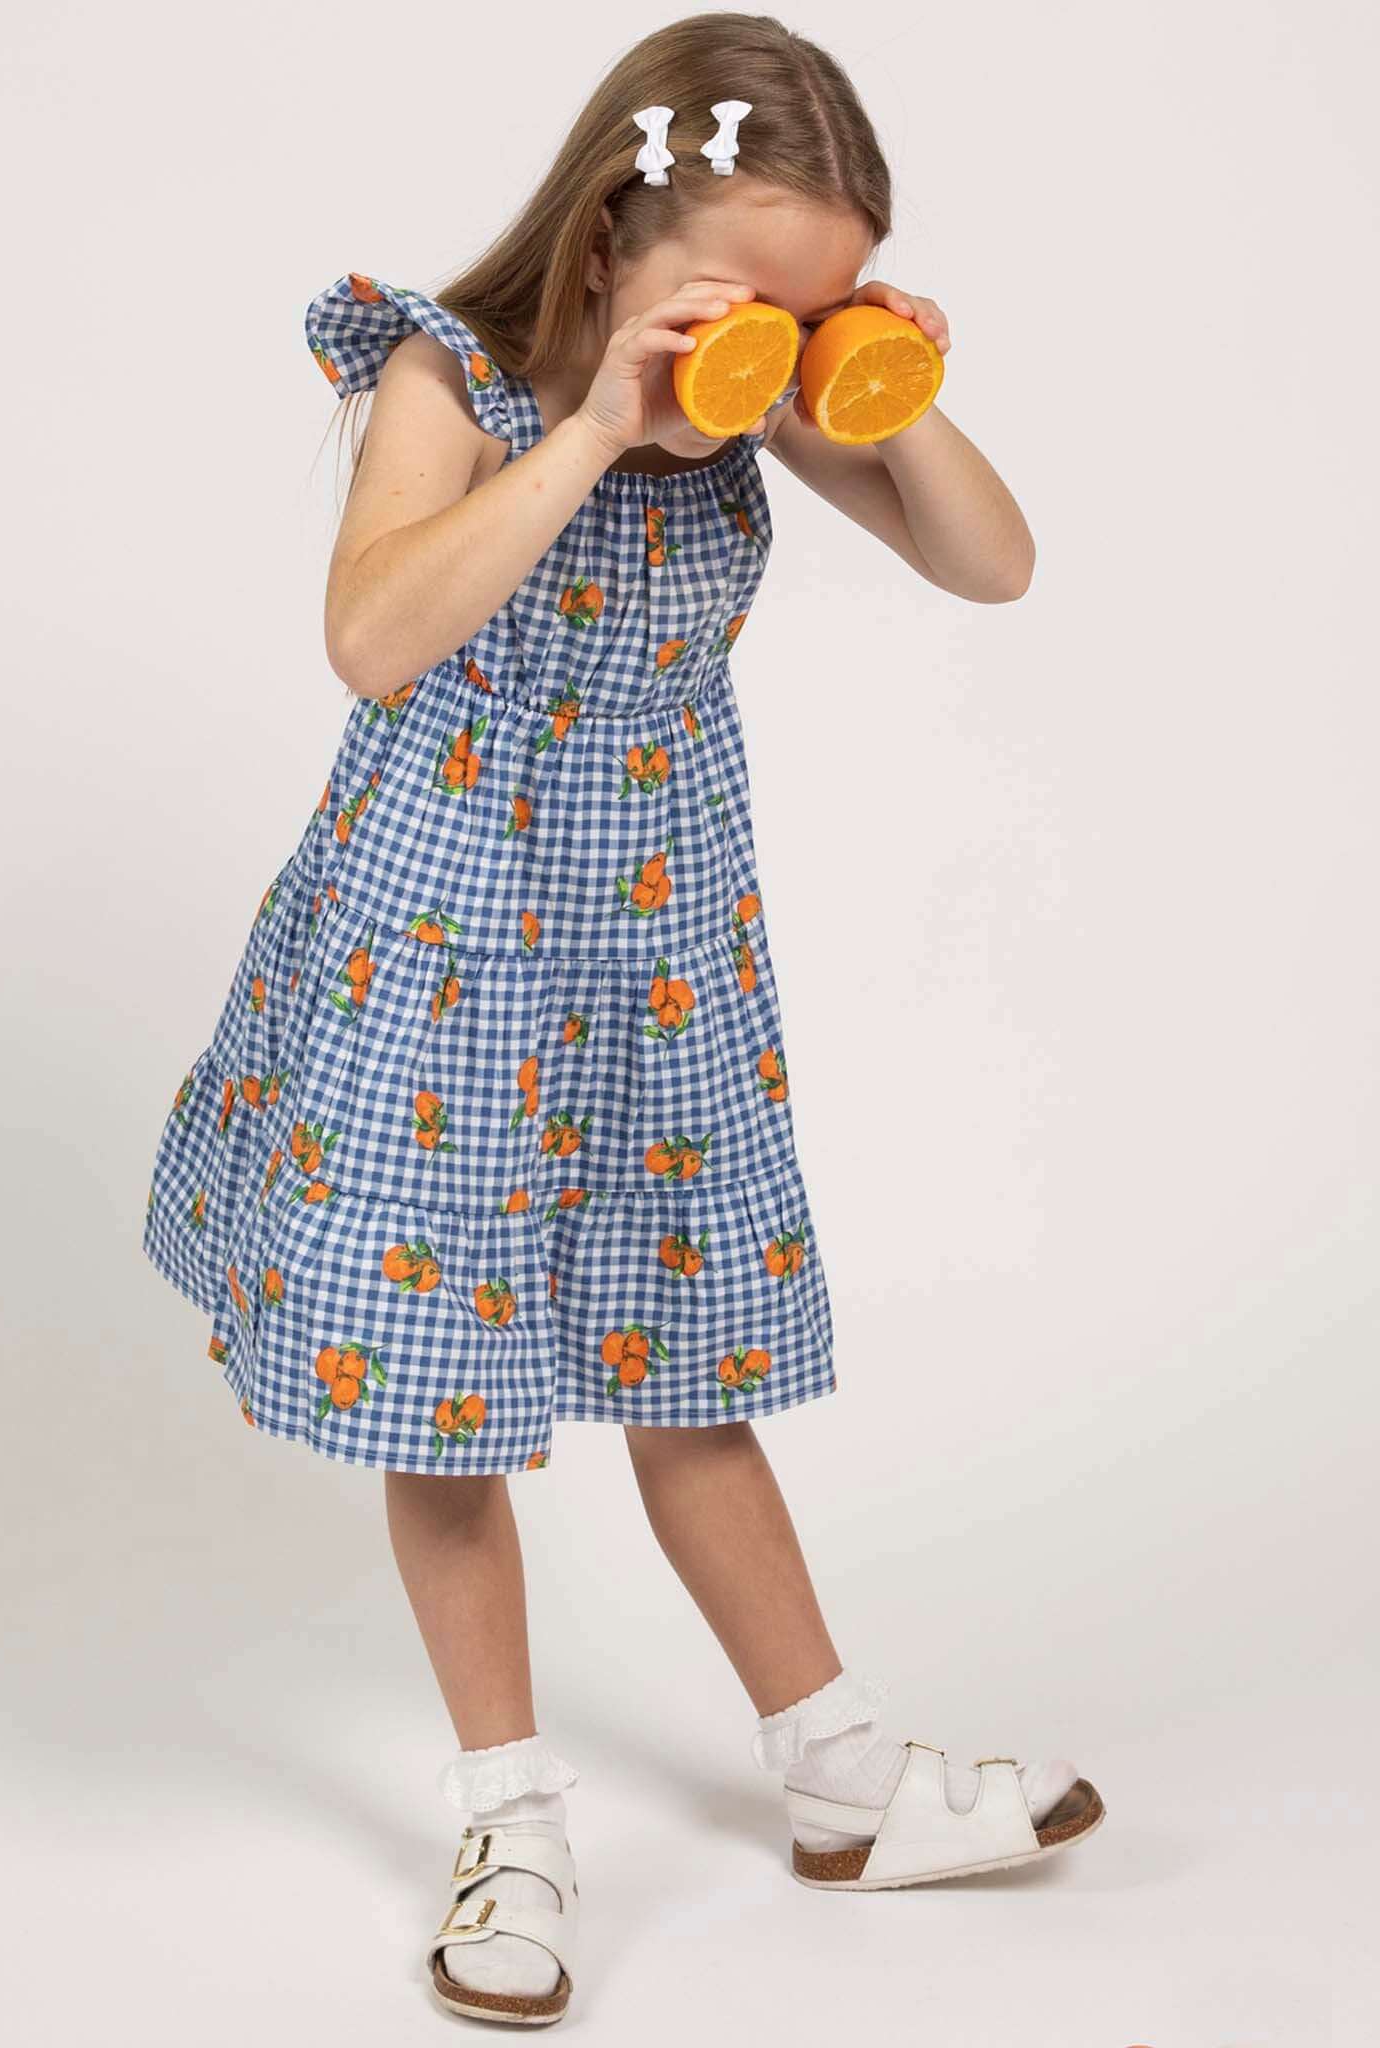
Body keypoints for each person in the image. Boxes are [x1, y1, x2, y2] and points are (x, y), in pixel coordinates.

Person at [141, 14, 1103, 2027]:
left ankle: (837, 1774)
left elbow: (995, 568)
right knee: (444, 1377)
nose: (759, 348)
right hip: (443, 943)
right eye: (743, 303)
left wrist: (886, 387)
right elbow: (371, 634)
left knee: (693, 1356)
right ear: (608, 245)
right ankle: (509, 1808)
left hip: (656, 945)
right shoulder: (456, 374)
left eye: (809, 306)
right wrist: (589, 425)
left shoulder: (751, 413)